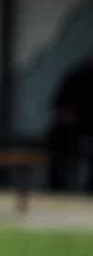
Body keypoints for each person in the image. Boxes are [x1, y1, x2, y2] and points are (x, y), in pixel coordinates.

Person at [48, 54, 93, 193]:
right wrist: (67, 115)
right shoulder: (76, 76)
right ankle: (57, 188)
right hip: (72, 126)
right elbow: (59, 103)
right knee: (57, 137)